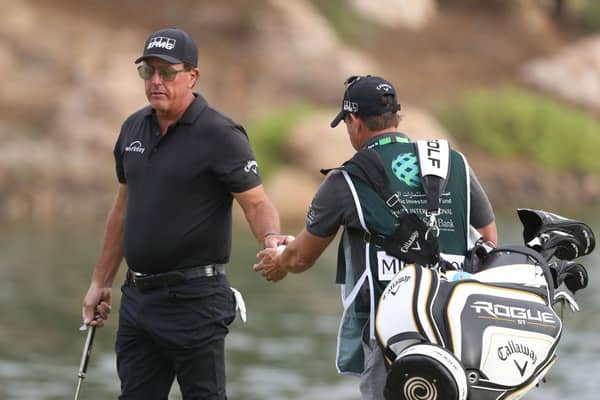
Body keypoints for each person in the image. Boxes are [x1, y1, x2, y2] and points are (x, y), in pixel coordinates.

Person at [253, 75, 497, 400]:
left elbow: (300, 257)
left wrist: (279, 262)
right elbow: (488, 239)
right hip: (458, 332)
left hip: (393, 336)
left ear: (354, 122)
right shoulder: (453, 162)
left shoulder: (347, 180)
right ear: (396, 116)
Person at [81, 27, 289, 400]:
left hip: (196, 302)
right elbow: (122, 211)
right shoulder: (133, 128)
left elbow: (256, 202)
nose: (156, 81)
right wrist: (100, 282)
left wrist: (271, 241)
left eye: (166, 72)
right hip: (138, 299)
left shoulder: (220, 134)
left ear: (192, 75)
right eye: (148, 71)